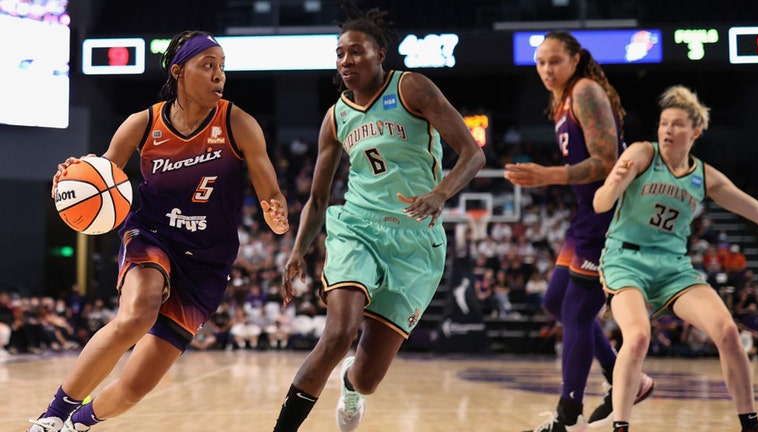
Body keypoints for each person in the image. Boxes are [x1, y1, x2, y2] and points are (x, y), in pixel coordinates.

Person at [28, 30, 289, 432]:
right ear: (179, 70)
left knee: (135, 386)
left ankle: (77, 424)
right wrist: (73, 177)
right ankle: (52, 415)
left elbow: (270, 190)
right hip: (152, 234)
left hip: (207, 261)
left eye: (222, 68)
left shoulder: (239, 123)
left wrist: (277, 214)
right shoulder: (142, 123)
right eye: (209, 66)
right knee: (136, 314)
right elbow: (102, 174)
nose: (220, 76)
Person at [272, 1, 485, 431]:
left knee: (368, 379)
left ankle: (350, 389)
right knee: (338, 333)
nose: (346, 61)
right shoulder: (336, 117)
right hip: (358, 228)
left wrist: (441, 193)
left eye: (356, 51)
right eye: (340, 54)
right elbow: (317, 198)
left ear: (379, 55)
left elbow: (472, 153)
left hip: (415, 243)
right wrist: (297, 250)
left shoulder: (413, 89)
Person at [503, 31, 654, 431]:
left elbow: (607, 161)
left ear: (574, 59)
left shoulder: (585, 91)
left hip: (609, 213)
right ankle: (625, 376)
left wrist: (547, 175)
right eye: (540, 62)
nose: (546, 69)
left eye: (554, 61)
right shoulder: (564, 98)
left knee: (575, 311)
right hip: (587, 213)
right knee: (556, 301)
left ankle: (568, 415)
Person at [593, 84, 758, 432]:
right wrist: (614, 185)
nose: (668, 130)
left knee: (728, 331)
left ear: (695, 131)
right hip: (626, 260)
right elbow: (600, 203)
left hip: (673, 268)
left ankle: (751, 423)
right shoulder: (643, 153)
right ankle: (620, 426)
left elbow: (756, 209)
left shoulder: (704, 176)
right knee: (638, 336)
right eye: (664, 123)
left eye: (677, 124)